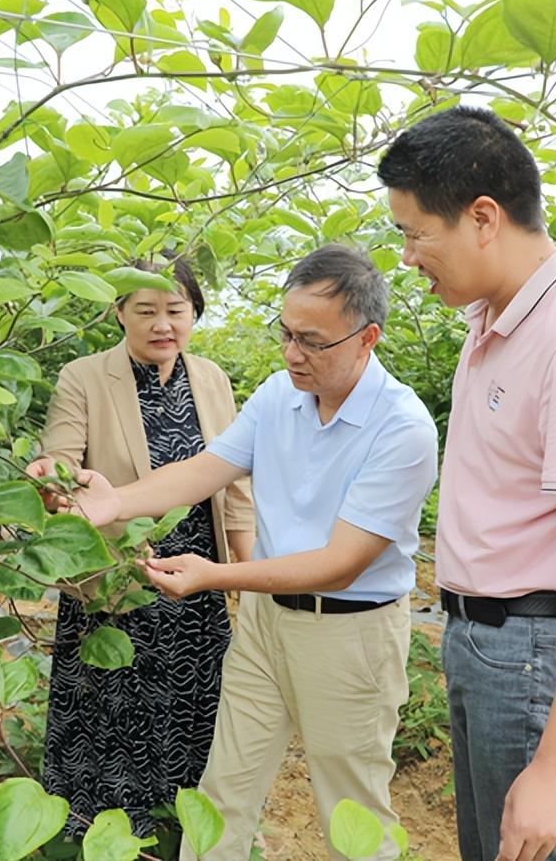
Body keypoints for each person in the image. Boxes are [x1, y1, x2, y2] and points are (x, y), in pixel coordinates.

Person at [64, 245, 438, 861]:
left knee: (352, 810)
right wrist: (116, 504)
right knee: (223, 794)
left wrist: (217, 575)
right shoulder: (278, 395)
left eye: (312, 341)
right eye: (286, 333)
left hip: (349, 636)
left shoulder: (402, 428)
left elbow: (341, 563)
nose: (293, 353)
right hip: (266, 625)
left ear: (367, 337)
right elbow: (207, 468)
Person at [377, 105, 556, 861]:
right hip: (486, 643)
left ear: (483, 218)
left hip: (529, 655)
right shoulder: (495, 317)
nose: (406, 256)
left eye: (414, 232)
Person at [25, 256, 255, 838]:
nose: (162, 325)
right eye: (145, 310)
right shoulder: (84, 377)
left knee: (191, 716)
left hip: (197, 585)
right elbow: (62, 451)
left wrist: (246, 573)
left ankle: (179, 834)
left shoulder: (212, 380)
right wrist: (54, 476)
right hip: (115, 584)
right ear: (118, 311)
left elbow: (235, 485)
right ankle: (96, 835)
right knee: (109, 717)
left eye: (175, 311)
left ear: (194, 314)